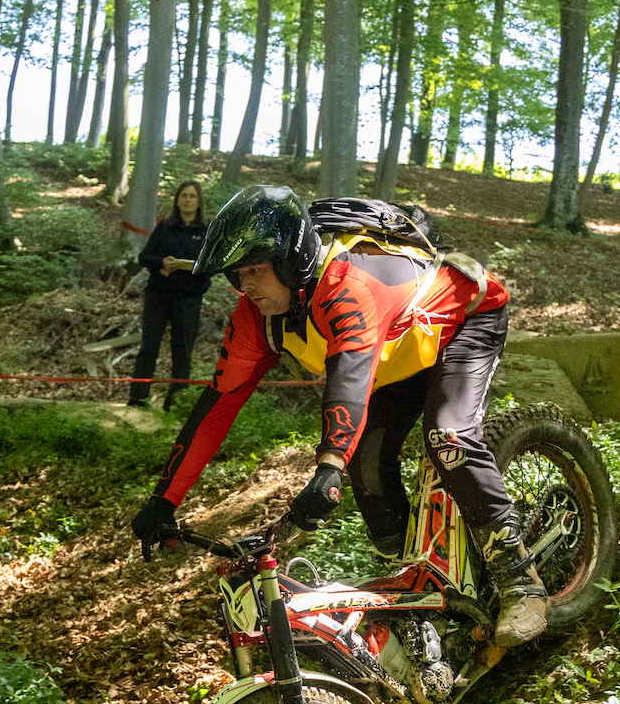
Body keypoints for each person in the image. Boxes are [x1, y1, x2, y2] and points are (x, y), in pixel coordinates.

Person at [127, 184, 549, 646]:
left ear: (290, 263)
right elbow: (218, 406)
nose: (244, 286)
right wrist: (164, 500)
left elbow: (348, 378)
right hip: (397, 350)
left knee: (448, 437)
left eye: (254, 270)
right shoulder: (254, 317)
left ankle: (522, 582)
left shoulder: (347, 285)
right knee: (367, 467)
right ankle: (420, 596)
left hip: (465, 319)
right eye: (236, 274)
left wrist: (328, 466)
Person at [130, 180, 213, 410]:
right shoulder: (165, 227)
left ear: (199, 201)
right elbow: (144, 257)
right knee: (149, 346)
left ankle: (175, 402)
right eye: (183, 195)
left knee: (182, 350)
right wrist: (162, 262)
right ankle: (137, 398)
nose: (188, 200)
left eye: (192, 196)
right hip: (159, 294)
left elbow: (214, 265)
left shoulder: (207, 230)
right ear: (176, 200)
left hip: (189, 297)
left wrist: (193, 267)